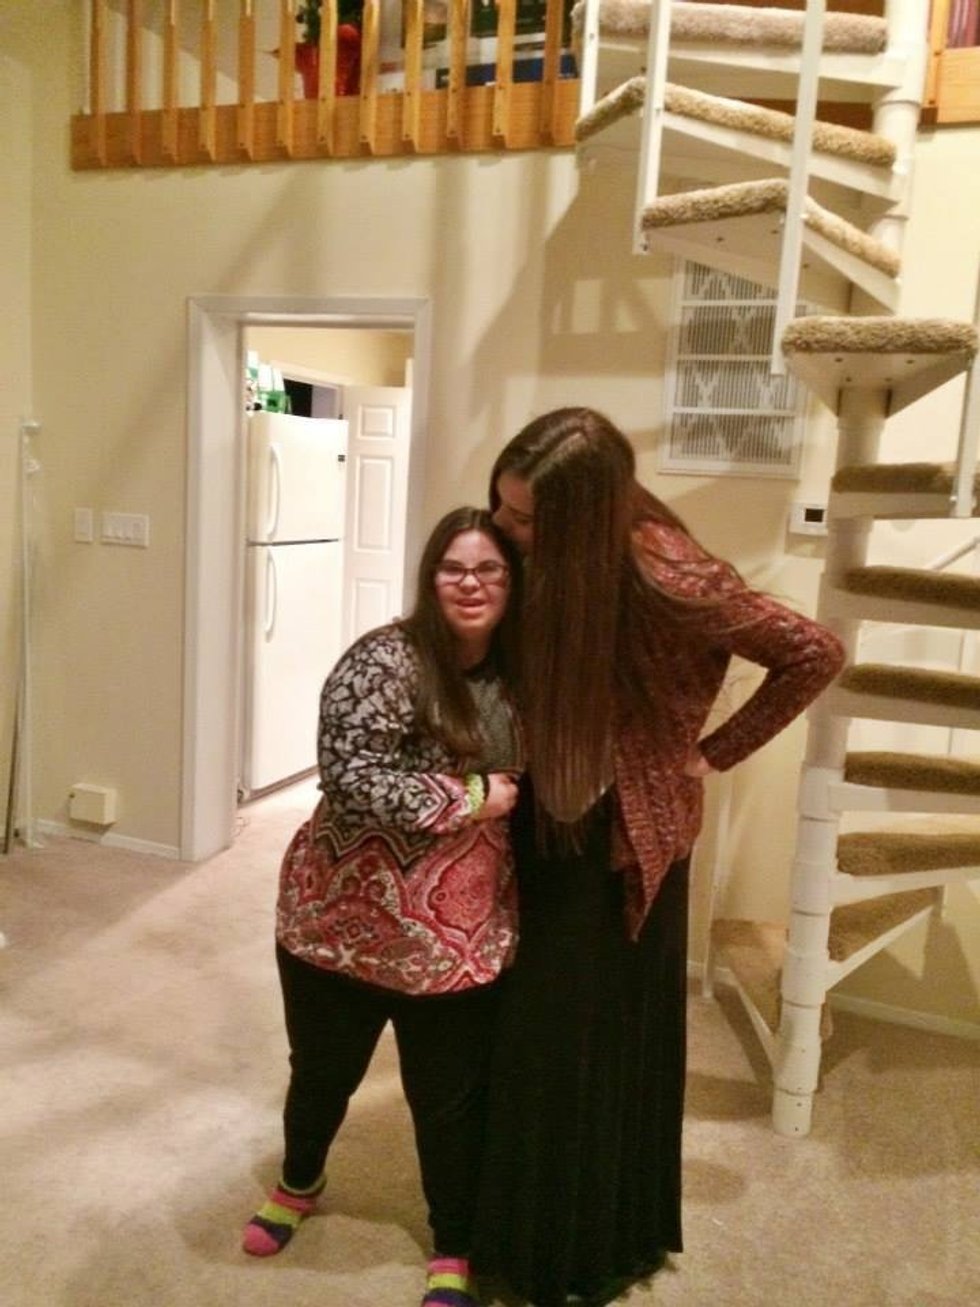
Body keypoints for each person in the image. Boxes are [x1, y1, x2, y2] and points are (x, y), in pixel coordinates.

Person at [472, 407, 845, 1306]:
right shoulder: (552, 550)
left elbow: (813, 650)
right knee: (525, 1027)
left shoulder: (662, 569)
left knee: (579, 1038)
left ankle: (574, 1253)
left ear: (587, 512)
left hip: (616, 833)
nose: (506, 528)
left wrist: (712, 752)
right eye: (504, 507)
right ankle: (512, 1226)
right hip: (545, 804)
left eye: (526, 518)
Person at [242, 507, 524, 1307]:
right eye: (453, 567)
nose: (470, 583)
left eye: (490, 569)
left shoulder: (527, 669)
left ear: (514, 583)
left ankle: (453, 1242)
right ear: (430, 577)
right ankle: (299, 1182)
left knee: (448, 1097)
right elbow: (349, 776)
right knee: (321, 1070)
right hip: (339, 919)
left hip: (455, 931)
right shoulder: (384, 658)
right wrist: (474, 794)